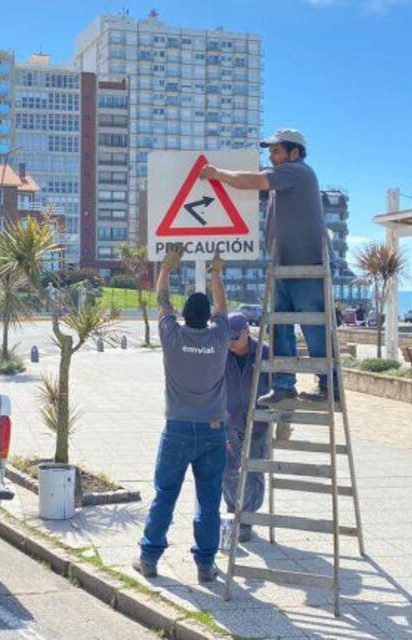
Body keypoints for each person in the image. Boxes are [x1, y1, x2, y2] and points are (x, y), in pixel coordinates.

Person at [200, 128, 336, 406]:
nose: (272, 156)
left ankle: (329, 387)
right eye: (270, 151)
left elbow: (252, 181)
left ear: (294, 152)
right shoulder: (283, 180)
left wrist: (217, 174)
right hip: (283, 266)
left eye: (276, 150)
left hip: (307, 265)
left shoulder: (297, 171)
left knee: (314, 328)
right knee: (280, 328)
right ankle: (285, 385)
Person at [134, 244, 229, 584]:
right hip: (213, 431)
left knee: (165, 495)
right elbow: (223, 306)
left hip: (176, 429)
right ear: (210, 319)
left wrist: (166, 268)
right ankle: (205, 566)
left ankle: (149, 557)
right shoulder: (220, 338)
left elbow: (162, 301)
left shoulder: (172, 336)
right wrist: (216, 272)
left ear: (185, 317)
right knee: (209, 501)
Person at [222, 313, 271, 543]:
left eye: (234, 337)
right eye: (226, 337)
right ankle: (233, 512)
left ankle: (247, 519)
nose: (230, 342)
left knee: (253, 472)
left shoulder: (265, 353)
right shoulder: (221, 354)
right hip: (229, 422)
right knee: (229, 470)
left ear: (246, 332)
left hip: (259, 422)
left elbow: (278, 384)